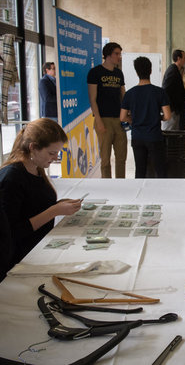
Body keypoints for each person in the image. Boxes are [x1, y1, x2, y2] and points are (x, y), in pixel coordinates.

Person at [0, 118, 83, 269]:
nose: (56, 158)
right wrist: (54, 211)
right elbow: (11, 233)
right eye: (52, 153)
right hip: (21, 259)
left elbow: (33, 206)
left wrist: (59, 205)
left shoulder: (36, 168)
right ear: (33, 147)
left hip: (40, 247)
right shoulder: (12, 178)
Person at [120, 56, 171, 178]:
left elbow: (122, 117)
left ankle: (141, 196)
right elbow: (168, 115)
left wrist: (132, 120)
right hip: (154, 137)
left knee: (140, 171)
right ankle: (162, 195)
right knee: (160, 170)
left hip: (137, 137)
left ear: (137, 72)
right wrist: (158, 118)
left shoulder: (130, 94)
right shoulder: (160, 92)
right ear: (151, 71)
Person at [87, 42, 127, 178]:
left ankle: (121, 184)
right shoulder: (95, 72)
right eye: (116, 54)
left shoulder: (119, 73)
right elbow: (93, 99)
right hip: (103, 118)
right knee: (105, 159)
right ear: (108, 55)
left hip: (118, 119)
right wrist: (98, 121)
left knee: (121, 157)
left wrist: (127, 115)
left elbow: (124, 95)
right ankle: (107, 185)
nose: (119, 57)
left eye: (119, 54)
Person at [162, 49, 185, 130]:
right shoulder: (172, 70)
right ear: (179, 58)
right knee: (170, 134)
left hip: (175, 109)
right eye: (184, 58)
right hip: (173, 110)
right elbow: (166, 90)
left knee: (175, 135)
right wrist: (170, 109)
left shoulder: (175, 70)